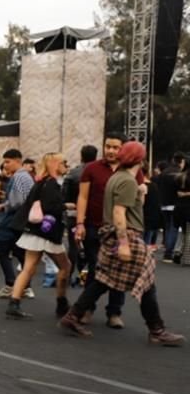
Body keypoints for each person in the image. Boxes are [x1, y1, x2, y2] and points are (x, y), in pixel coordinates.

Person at [60, 142, 184, 346]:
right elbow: (119, 212)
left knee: (103, 280)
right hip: (127, 235)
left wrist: (140, 193)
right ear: (140, 159)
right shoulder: (127, 181)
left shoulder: (118, 177)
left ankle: (73, 315)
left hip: (115, 234)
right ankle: (156, 329)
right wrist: (124, 242)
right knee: (145, 282)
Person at [4, 152, 72, 320]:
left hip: (34, 231)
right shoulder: (52, 184)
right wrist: (66, 206)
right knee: (65, 267)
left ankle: (14, 302)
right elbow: (51, 207)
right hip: (48, 232)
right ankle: (61, 302)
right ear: (55, 164)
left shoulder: (41, 182)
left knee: (28, 268)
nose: (66, 165)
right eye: (64, 162)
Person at [74, 133, 131, 328]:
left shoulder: (130, 169)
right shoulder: (92, 168)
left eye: (115, 147)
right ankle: (87, 309)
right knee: (95, 268)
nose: (111, 151)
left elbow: (138, 194)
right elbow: (82, 197)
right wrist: (80, 223)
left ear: (123, 149)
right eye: (108, 146)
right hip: (94, 227)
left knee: (120, 271)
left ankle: (114, 312)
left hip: (121, 229)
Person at [0, 149, 35, 300]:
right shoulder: (28, 177)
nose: (5, 165)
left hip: (11, 220)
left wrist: (5, 205)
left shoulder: (17, 177)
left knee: (2, 250)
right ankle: (26, 286)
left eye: (8, 161)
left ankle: (10, 284)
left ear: (18, 161)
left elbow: (17, 201)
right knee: (20, 253)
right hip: (22, 221)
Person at [63, 145, 98, 285]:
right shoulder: (98, 172)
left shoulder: (73, 173)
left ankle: (68, 275)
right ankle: (89, 275)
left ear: (81, 155)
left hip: (74, 212)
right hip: (93, 214)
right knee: (93, 246)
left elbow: (64, 194)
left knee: (73, 245)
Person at [158, 152, 185, 262]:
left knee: (167, 227)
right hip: (175, 204)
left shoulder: (164, 172)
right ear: (181, 161)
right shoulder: (180, 173)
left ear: (173, 160)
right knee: (173, 229)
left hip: (164, 204)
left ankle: (167, 249)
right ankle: (168, 253)